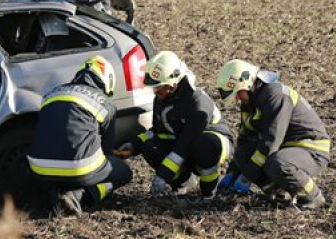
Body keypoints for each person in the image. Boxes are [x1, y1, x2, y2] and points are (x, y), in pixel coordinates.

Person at [114, 51, 234, 199]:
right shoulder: (162, 98)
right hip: (184, 144)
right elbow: (157, 132)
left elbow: (185, 143)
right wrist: (134, 145)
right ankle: (183, 183)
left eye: (158, 86)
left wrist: (162, 175)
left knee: (203, 146)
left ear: (173, 83)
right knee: (150, 147)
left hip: (211, 144)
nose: (155, 90)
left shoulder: (197, 103)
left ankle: (210, 190)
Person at [215, 59, 330, 209]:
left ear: (248, 84)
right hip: (284, 148)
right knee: (243, 154)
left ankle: (313, 196)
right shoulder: (249, 101)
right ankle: (277, 192)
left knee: (277, 163)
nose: (236, 99)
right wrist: (233, 171)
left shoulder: (275, 96)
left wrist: (246, 176)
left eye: (237, 93)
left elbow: (271, 141)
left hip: (310, 149)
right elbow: (245, 138)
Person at [27, 55, 133, 217]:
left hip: (39, 168)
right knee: (123, 172)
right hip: (79, 169)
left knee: (57, 171)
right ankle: (80, 196)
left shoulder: (52, 93)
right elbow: (107, 151)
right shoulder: (105, 103)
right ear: (106, 82)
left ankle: (51, 191)